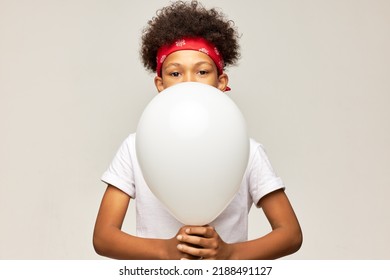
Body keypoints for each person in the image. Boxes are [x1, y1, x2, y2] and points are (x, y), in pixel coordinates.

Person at [93, 0, 302, 260]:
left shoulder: (247, 151)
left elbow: (290, 234)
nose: (189, 82)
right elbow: (103, 236)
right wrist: (165, 250)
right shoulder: (134, 149)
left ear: (221, 81)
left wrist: (228, 252)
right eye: (175, 73)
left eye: (202, 71)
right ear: (160, 84)